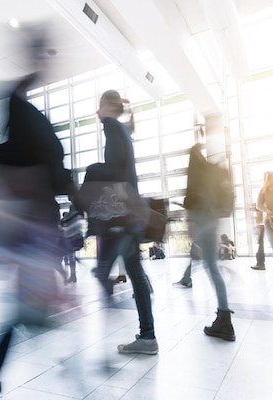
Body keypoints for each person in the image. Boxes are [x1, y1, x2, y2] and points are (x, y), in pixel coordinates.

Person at [0, 71, 77, 400]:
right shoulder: (34, 131)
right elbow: (55, 176)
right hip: (31, 229)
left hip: (26, 231)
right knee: (19, 314)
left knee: (19, 314)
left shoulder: (23, 126)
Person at [90, 89, 158, 355]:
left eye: (99, 105)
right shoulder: (123, 130)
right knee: (135, 274)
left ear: (107, 105)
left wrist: (91, 171)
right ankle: (147, 336)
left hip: (121, 214)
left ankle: (143, 337)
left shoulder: (111, 125)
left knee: (103, 270)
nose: (97, 112)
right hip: (130, 212)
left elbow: (116, 169)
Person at [183, 143, 235, 341]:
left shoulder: (198, 169)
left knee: (211, 266)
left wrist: (192, 221)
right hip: (213, 219)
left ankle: (224, 320)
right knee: (214, 268)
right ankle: (224, 319)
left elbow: (192, 193)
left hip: (201, 216)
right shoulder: (217, 172)